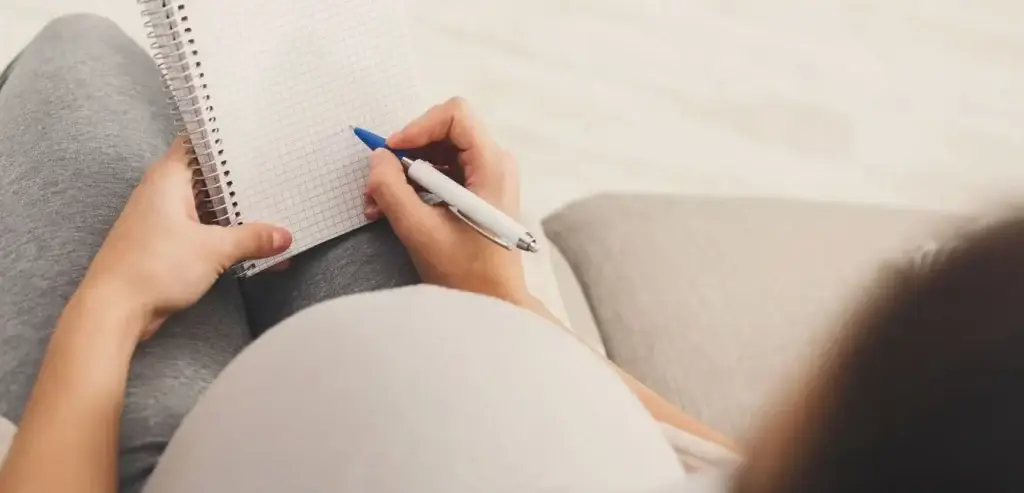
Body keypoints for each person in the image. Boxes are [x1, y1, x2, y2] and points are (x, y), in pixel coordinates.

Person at [0, 14, 729, 493]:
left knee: (81, 52)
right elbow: (709, 458)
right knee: (338, 186)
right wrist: (504, 297)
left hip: (180, 460)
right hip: (458, 382)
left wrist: (113, 301)